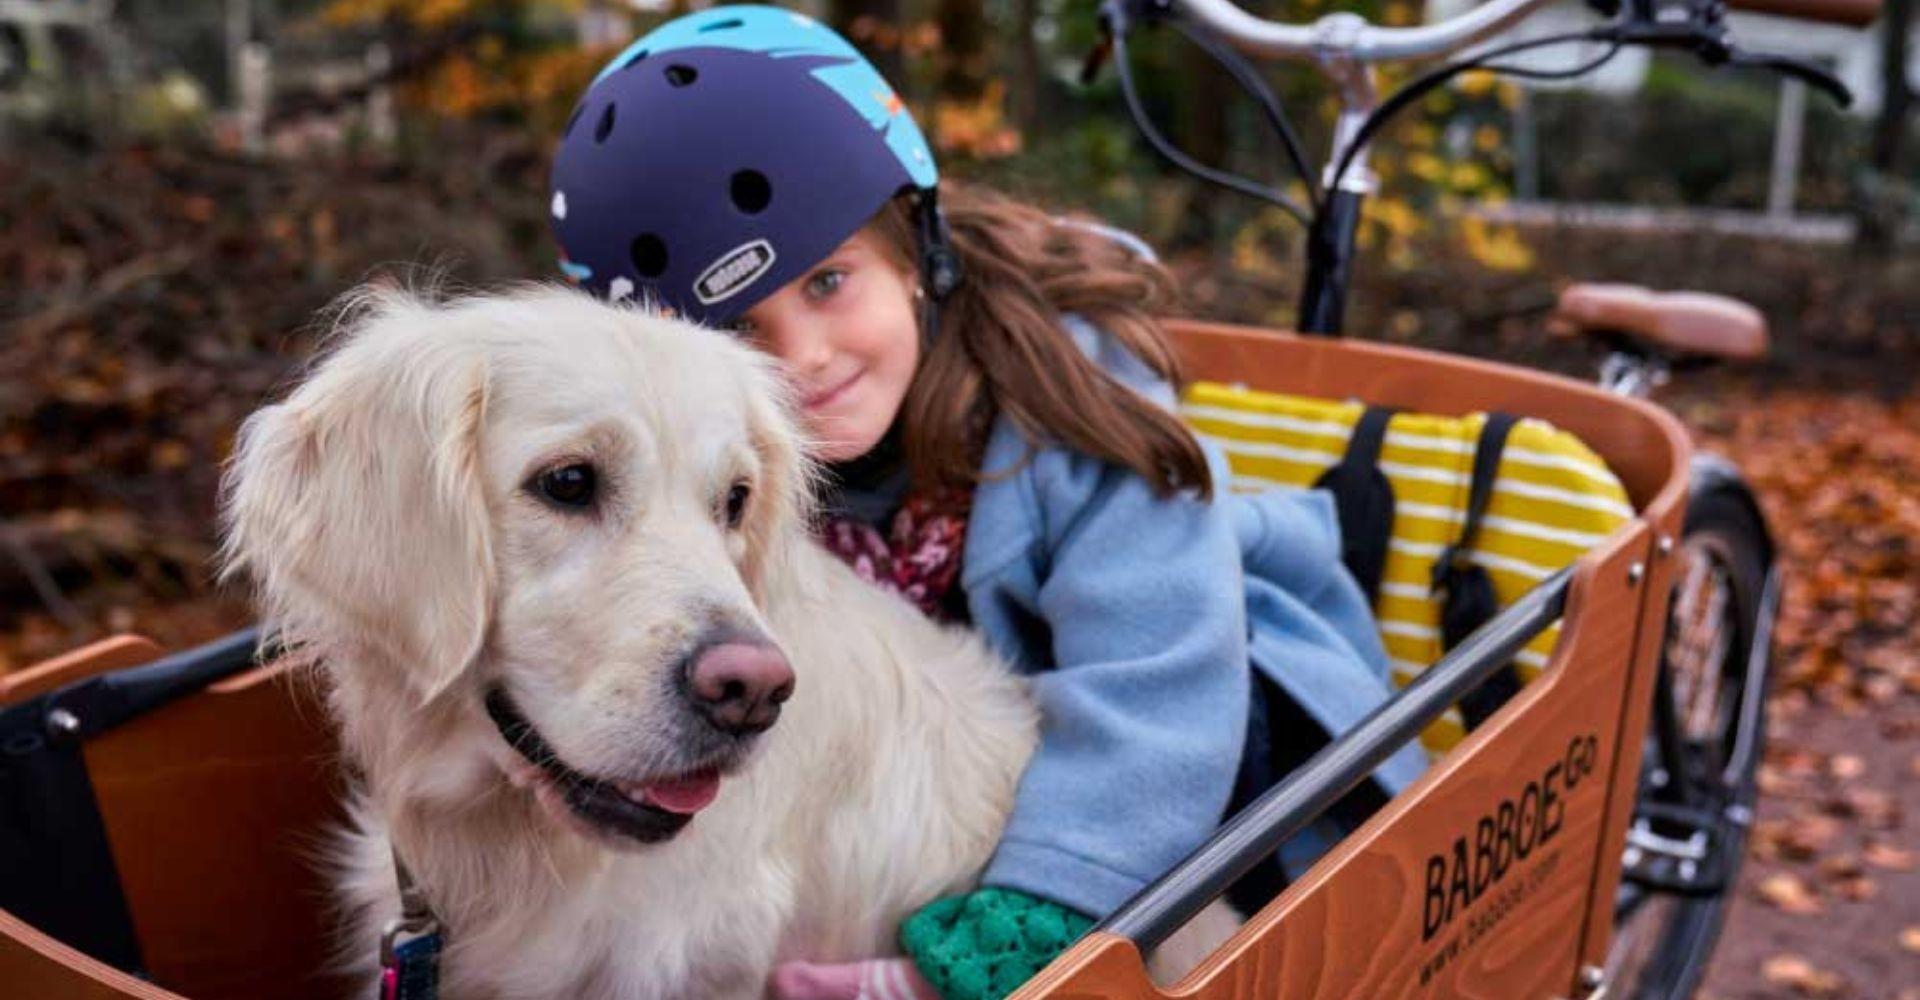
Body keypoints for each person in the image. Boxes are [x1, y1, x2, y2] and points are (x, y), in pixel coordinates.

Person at [547, 7, 1426, 998]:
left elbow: (1156, 686)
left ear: (918, 252)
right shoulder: (710, 475)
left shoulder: (1067, 399)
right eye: (741, 329)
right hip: (957, 786)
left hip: (1201, 730)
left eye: (830, 281)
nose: (803, 360)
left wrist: (1022, 932)